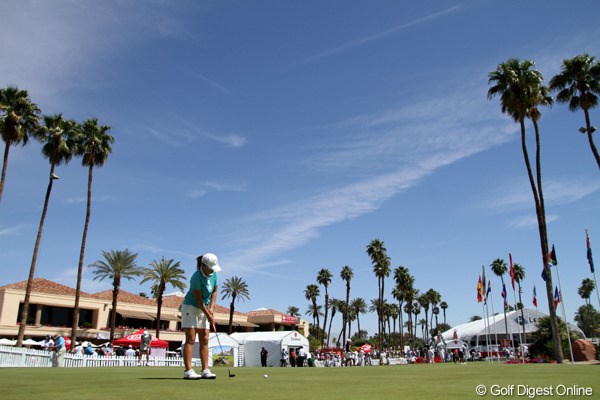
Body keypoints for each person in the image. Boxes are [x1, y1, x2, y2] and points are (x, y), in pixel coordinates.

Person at [181, 253, 221, 380]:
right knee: (191, 339)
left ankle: (205, 370)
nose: (212, 270)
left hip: (205, 307)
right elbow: (198, 299)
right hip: (191, 307)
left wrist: (212, 308)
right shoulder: (196, 277)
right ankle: (188, 371)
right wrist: (208, 314)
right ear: (203, 265)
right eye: (210, 267)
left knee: (205, 339)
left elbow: (214, 291)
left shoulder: (214, 274)